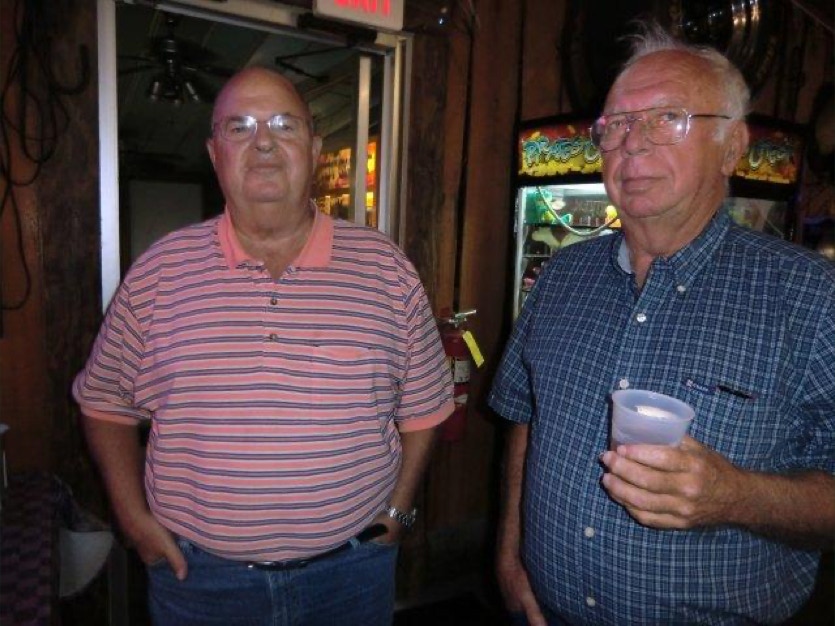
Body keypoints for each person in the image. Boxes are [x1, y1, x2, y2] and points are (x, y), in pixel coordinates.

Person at [73, 66, 453, 626]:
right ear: (214, 154)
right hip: (201, 581)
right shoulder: (159, 272)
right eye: (239, 127)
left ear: (315, 150)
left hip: (351, 573)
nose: (264, 142)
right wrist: (133, 520)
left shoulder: (386, 269)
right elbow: (104, 404)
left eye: (283, 124)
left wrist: (398, 512)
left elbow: (425, 407)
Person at [489, 23, 835, 626]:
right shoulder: (561, 276)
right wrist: (510, 552)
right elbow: (525, 414)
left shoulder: (814, 297)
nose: (632, 143)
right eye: (617, 124)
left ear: (732, 148)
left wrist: (736, 495)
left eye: (667, 118)